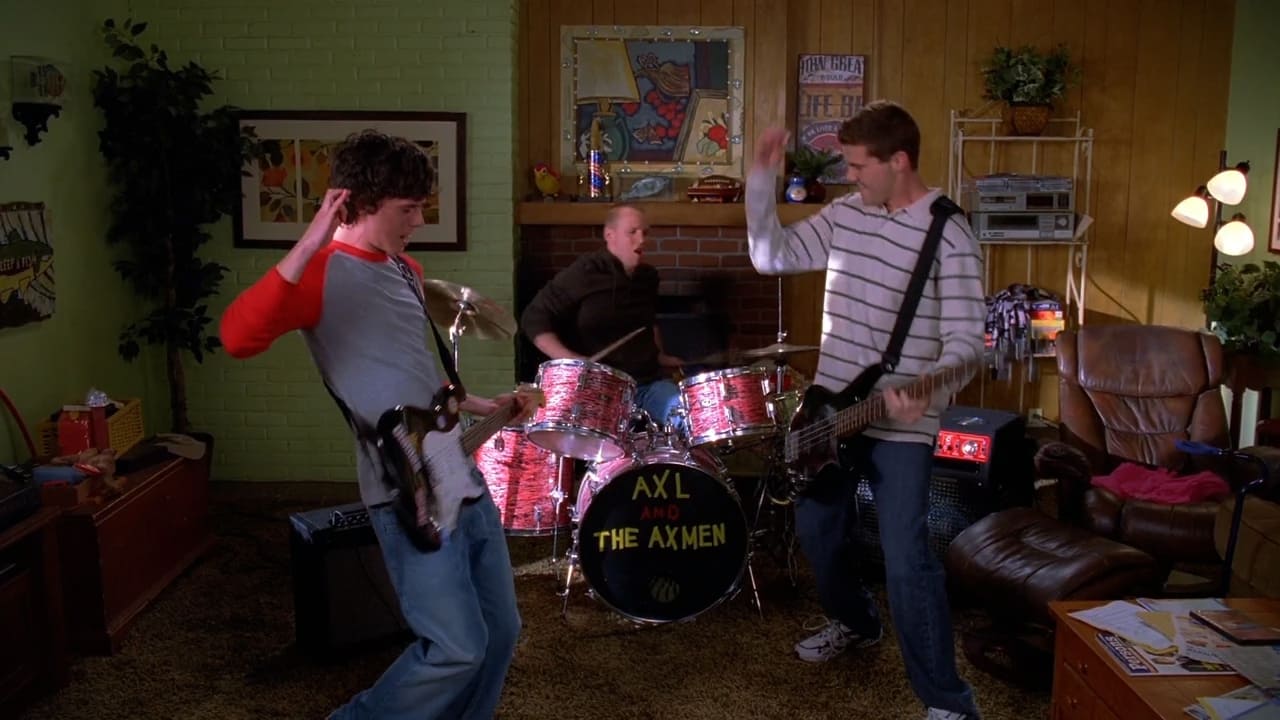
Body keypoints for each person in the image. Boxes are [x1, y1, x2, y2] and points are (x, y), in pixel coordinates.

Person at [219, 130, 534, 720]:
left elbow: (419, 380)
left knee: (501, 631)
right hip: (404, 488)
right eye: (407, 209)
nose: (419, 220)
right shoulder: (317, 272)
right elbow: (236, 337)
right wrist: (310, 240)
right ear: (357, 203)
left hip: (459, 474)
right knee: (455, 649)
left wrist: (479, 405)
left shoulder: (405, 269)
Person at [745, 101, 985, 720]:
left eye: (858, 166)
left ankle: (948, 701)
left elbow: (967, 344)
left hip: (903, 422)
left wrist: (927, 390)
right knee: (818, 536)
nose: (849, 177)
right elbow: (771, 257)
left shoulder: (949, 233)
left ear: (898, 161)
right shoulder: (847, 214)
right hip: (830, 412)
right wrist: (760, 180)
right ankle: (855, 621)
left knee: (908, 561)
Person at [520, 204, 685, 430]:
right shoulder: (586, 271)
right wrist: (570, 359)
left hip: (647, 384)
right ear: (610, 235)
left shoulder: (647, 277)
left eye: (645, 233)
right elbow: (533, 317)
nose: (641, 240)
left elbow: (648, 322)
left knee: (685, 415)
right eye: (632, 232)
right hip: (599, 391)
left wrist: (660, 355)